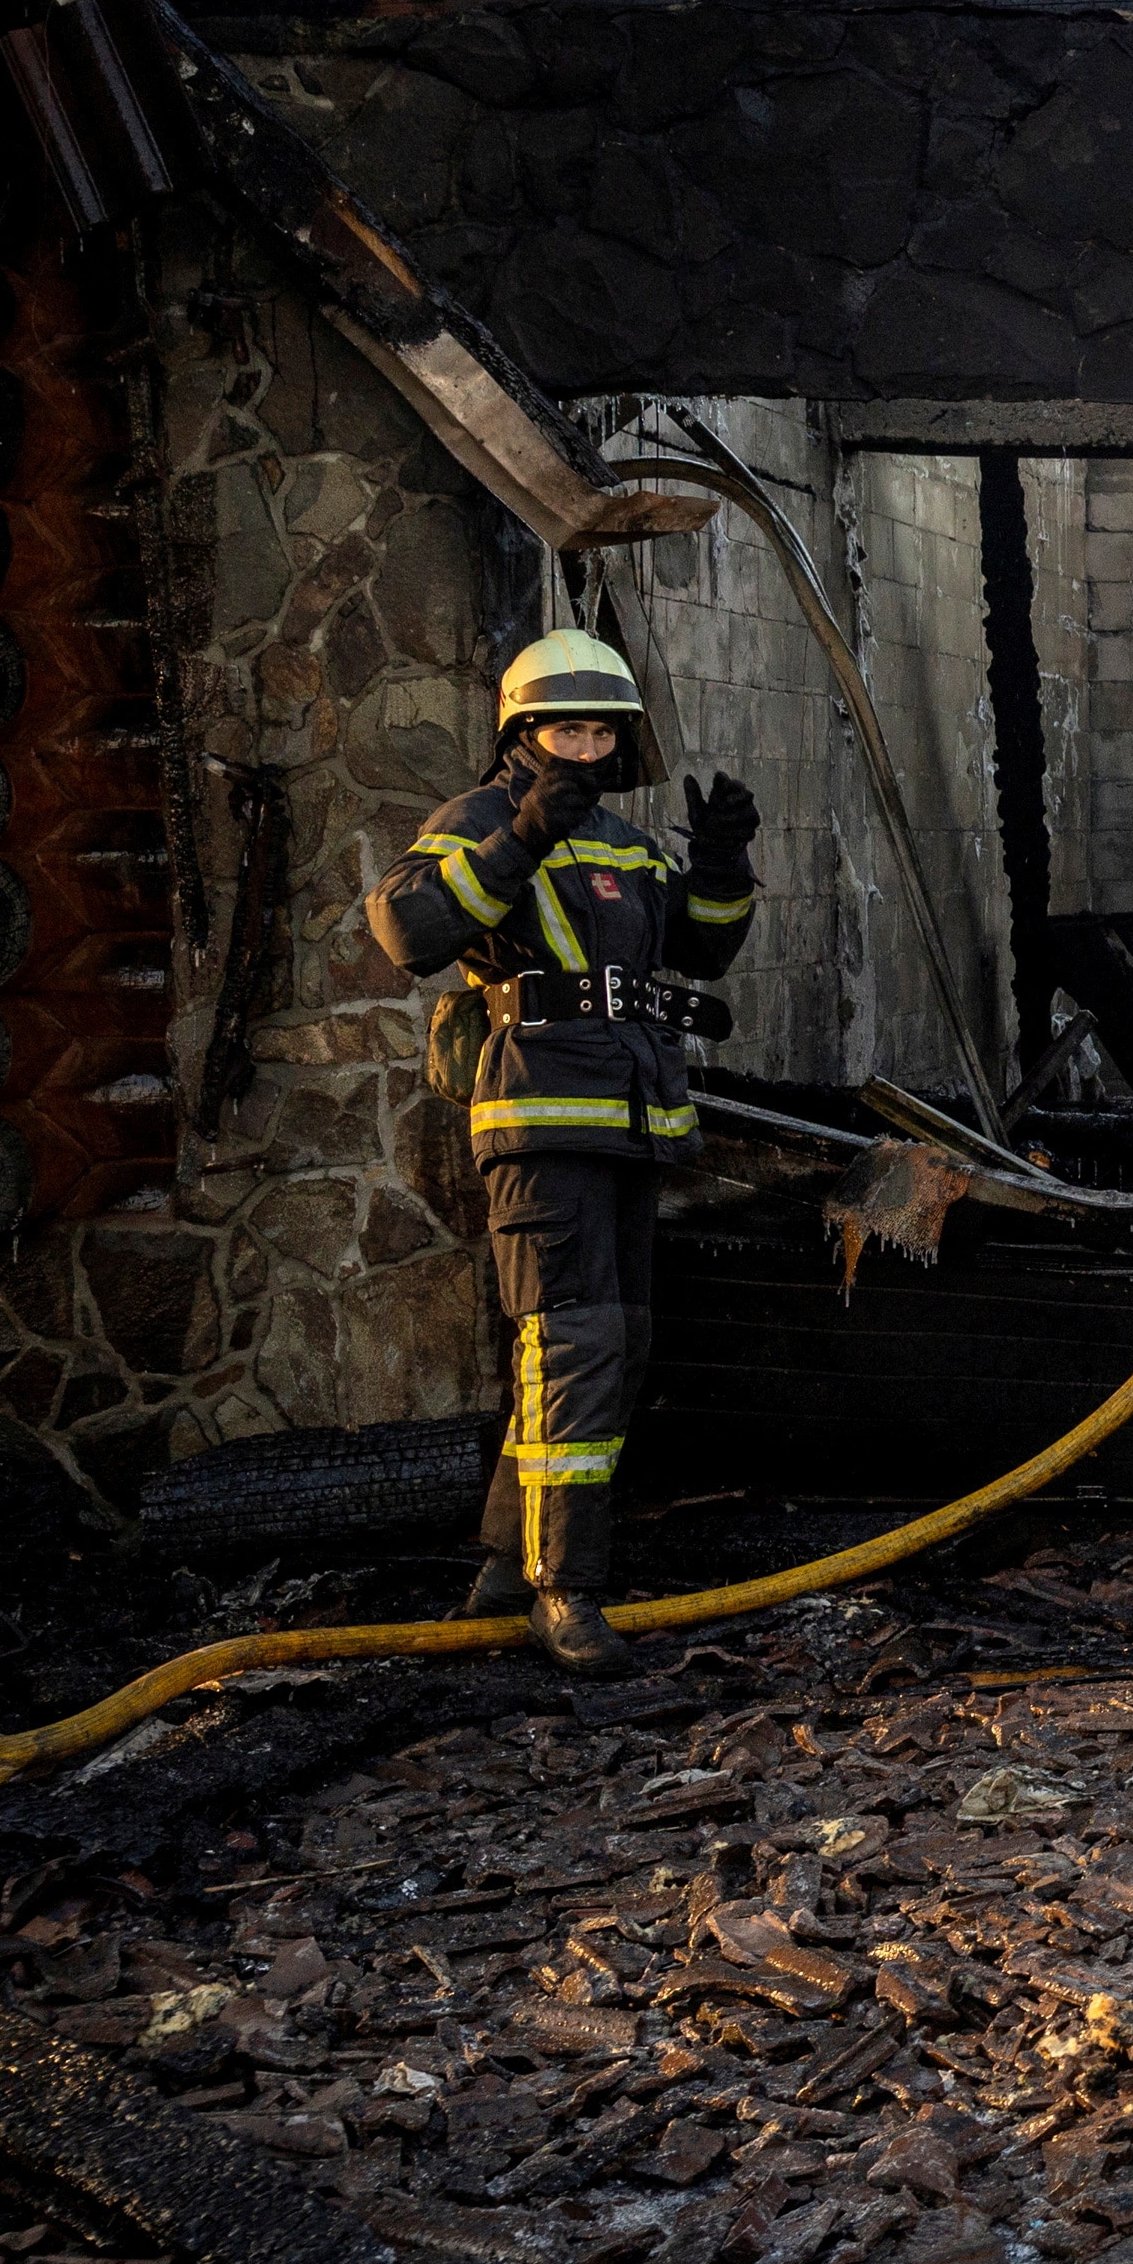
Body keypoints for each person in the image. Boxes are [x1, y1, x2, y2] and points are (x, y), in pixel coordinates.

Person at [362, 631, 758, 1676]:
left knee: (605, 1349)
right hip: (541, 1124)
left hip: (627, 1124)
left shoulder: (624, 840)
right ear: (520, 737)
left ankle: (506, 1569)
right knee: (574, 1349)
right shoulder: (478, 822)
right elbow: (411, 933)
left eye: (598, 730)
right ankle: (565, 1593)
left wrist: (722, 865)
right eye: (563, 728)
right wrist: (524, 836)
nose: (583, 748)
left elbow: (700, 946)